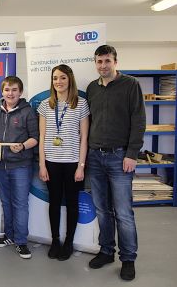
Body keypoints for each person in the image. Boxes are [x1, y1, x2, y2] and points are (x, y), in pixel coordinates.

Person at [86, 45, 145, 281]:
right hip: (95, 156)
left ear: (115, 61)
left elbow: (139, 121)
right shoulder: (92, 88)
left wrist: (132, 153)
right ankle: (106, 251)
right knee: (102, 210)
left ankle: (128, 258)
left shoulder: (131, 85)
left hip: (120, 156)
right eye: (99, 61)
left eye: (107, 61)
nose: (103, 65)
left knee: (123, 212)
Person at [38, 64, 89, 261]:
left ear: (70, 80)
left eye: (62, 78)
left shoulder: (81, 104)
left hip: (73, 163)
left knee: (72, 203)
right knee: (54, 202)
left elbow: (84, 137)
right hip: (51, 162)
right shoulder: (45, 105)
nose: (58, 82)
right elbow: (42, 137)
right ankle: (55, 240)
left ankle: (68, 242)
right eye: (55, 78)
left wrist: (81, 166)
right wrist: (42, 165)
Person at [0, 76, 39, 259]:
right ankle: (8, 236)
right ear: (2, 92)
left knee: (20, 204)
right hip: (0, 165)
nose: (10, 93)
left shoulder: (28, 112)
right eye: (7, 90)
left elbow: (35, 137)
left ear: (20, 92)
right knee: (6, 202)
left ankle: (21, 242)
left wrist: (23, 146)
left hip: (21, 166)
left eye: (14, 90)